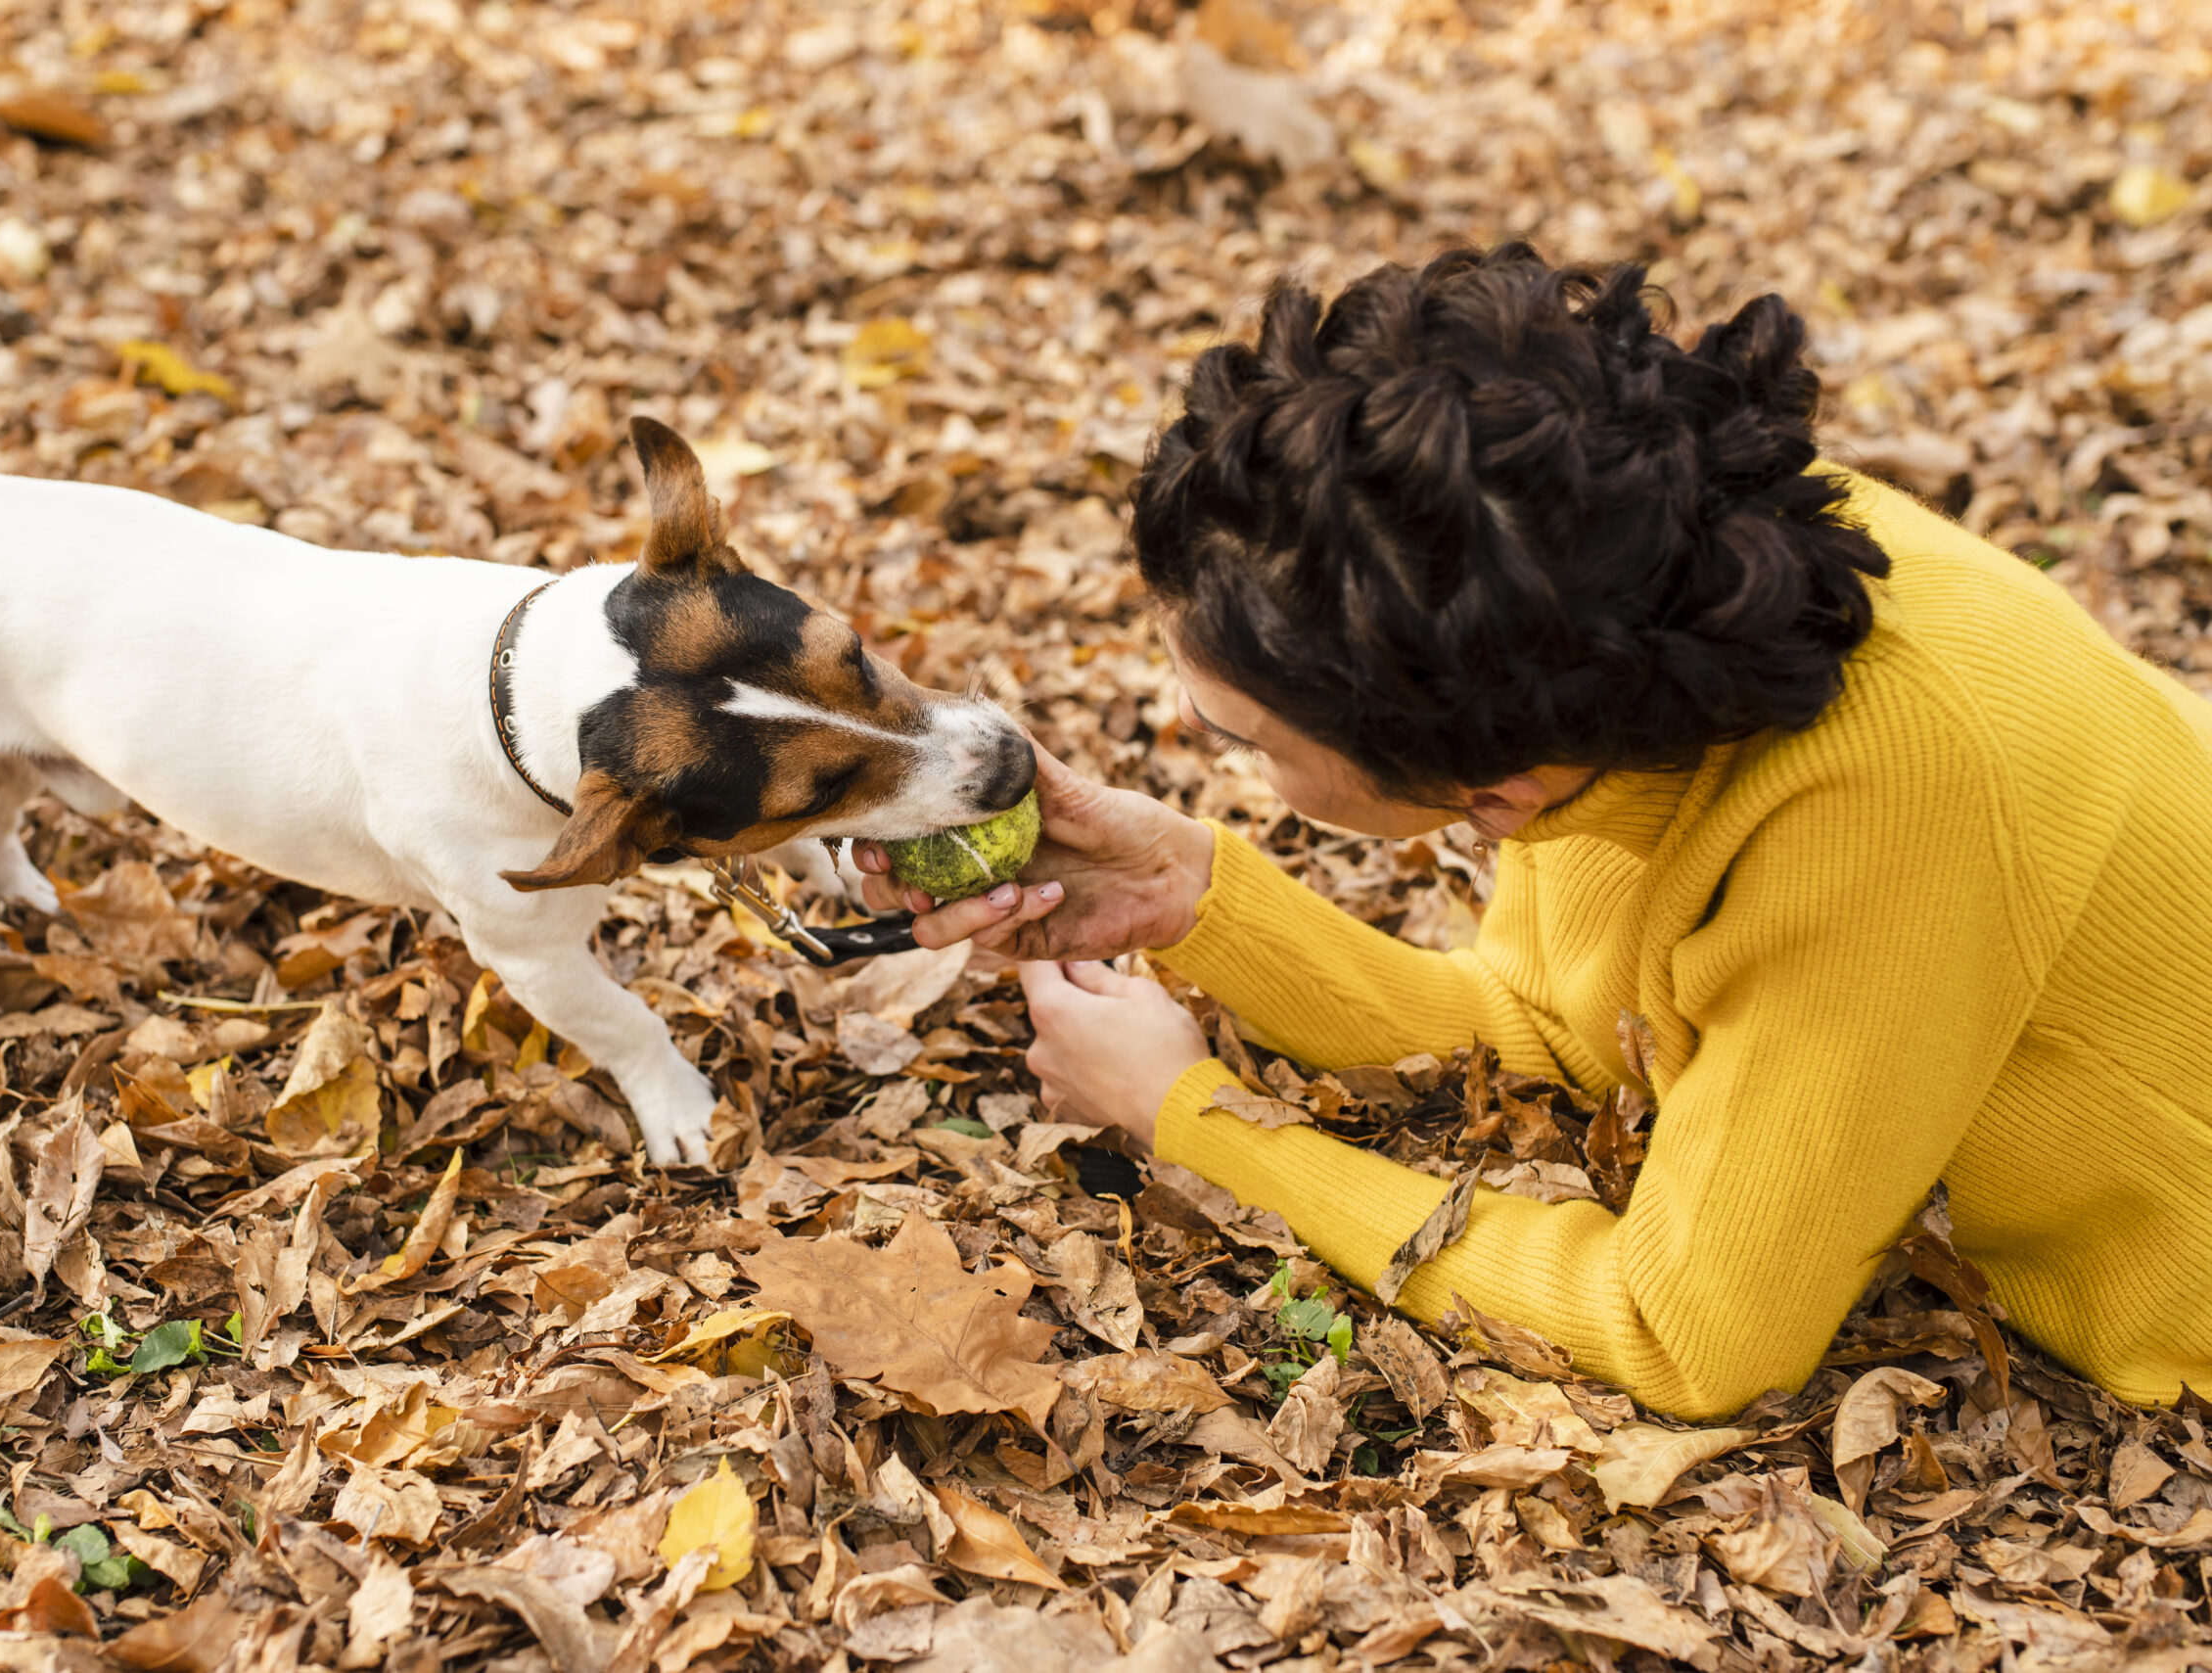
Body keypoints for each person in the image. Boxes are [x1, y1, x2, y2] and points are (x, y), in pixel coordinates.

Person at [853, 245, 2212, 1421]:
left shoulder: (1880, 810)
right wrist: (1188, 890)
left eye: (1242, 741)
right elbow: (1559, 1030)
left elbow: (1686, 1334)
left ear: (1490, 786)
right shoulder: (1634, 585)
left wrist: (1189, 1119)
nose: (1218, 753)